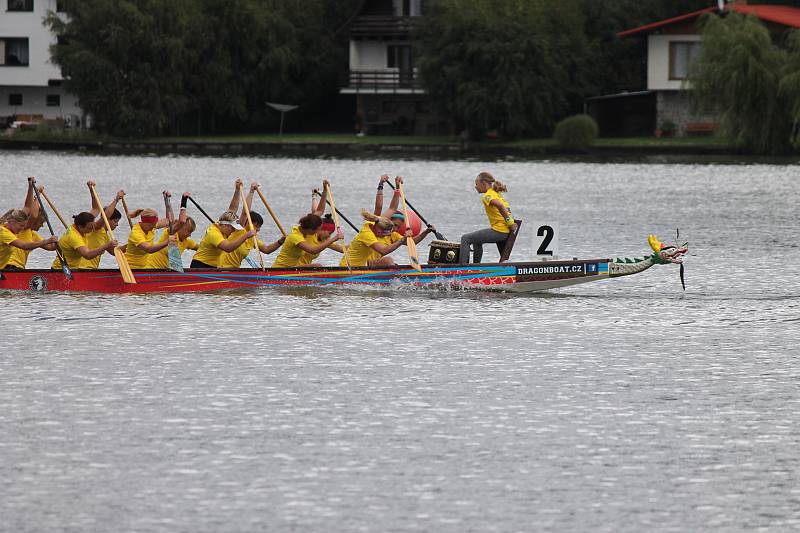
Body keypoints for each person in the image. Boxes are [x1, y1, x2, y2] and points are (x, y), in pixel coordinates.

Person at [340, 209, 434, 267]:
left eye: (398, 227)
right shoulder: (370, 231)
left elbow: (411, 242)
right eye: (395, 225)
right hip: (361, 264)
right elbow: (384, 251)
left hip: (364, 265)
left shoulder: (391, 234)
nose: (395, 229)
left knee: (389, 262)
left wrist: (426, 232)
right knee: (388, 260)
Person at [459, 171, 517, 263]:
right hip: (504, 231)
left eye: (476, 184)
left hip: (499, 231)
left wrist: (510, 223)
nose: (475, 187)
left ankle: (462, 269)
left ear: (483, 183)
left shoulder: (487, 196)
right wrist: (510, 223)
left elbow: (501, 206)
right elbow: (504, 208)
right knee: (477, 241)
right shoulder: (496, 193)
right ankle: (476, 267)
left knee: (465, 238)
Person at [147, 192, 199, 269]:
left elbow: (202, 248)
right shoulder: (171, 233)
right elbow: (181, 221)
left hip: (164, 273)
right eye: (188, 231)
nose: (190, 235)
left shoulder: (187, 242)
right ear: (181, 228)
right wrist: (184, 200)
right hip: (150, 269)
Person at [51, 212, 117, 271]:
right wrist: (106, 246)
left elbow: (96, 208)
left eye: (93, 226)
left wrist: (93, 197)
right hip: (61, 270)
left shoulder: (80, 226)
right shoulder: (74, 237)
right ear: (80, 227)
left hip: (73, 269)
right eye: (90, 227)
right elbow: (87, 255)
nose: (93, 229)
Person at [218, 211, 284, 268]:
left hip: (234, 269)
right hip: (222, 269)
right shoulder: (238, 230)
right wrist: (250, 195)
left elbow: (267, 250)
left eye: (259, 227)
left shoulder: (252, 239)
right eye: (256, 226)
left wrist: (280, 241)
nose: (258, 229)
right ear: (247, 222)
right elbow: (244, 212)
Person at [84, 181, 125, 269]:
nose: (117, 225)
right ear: (108, 220)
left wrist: (132, 246)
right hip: (83, 268)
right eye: (115, 221)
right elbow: (105, 216)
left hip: (92, 268)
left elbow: (114, 252)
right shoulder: (96, 228)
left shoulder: (105, 236)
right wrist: (117, 199)